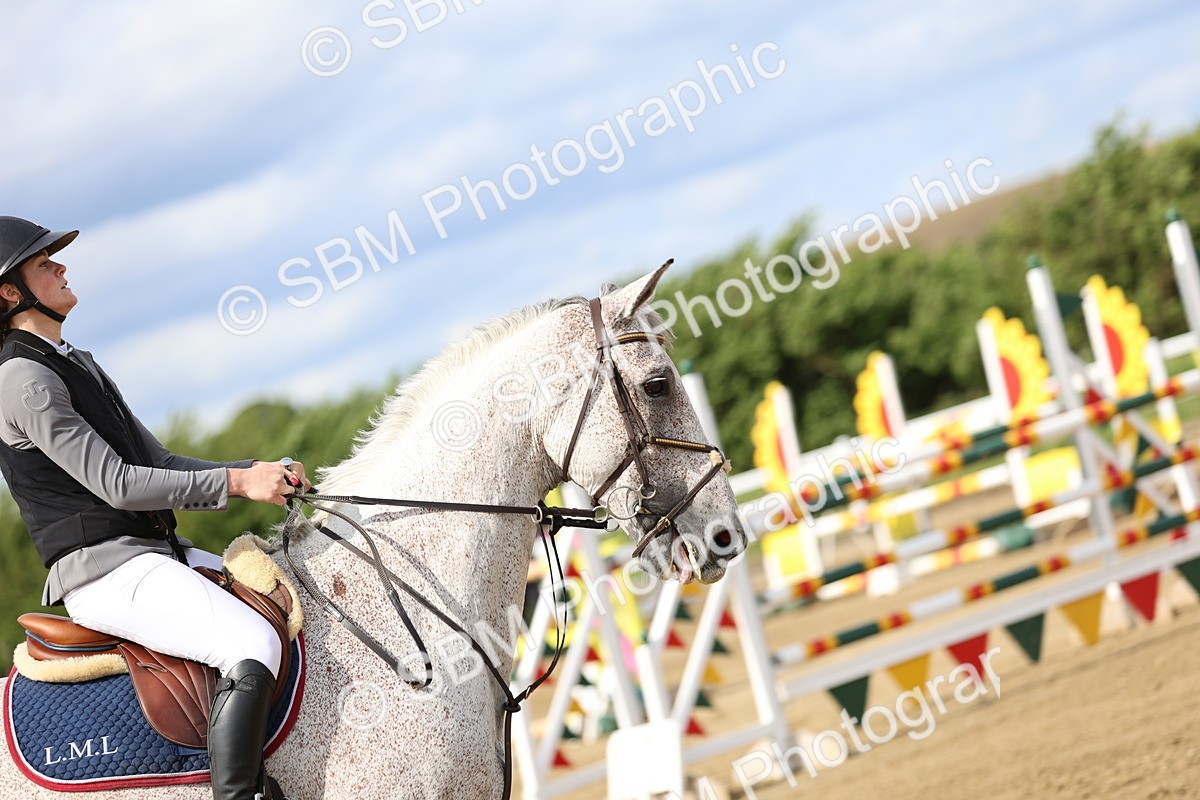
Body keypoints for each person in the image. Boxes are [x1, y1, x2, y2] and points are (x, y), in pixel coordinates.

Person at [0, 216, 308, 800]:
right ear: (10, 293)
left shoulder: (76, 361)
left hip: (153, 555)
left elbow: (160, 462)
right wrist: (239, 486)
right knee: (252, 644)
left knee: (285, 600)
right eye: (45, 263)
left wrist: (256, 469)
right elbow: (116, 485)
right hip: (107, 572)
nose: (62, 265)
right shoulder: (23, 378)